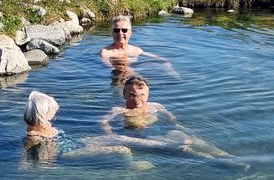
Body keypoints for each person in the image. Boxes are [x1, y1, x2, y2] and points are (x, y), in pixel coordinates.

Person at [98, 75, 235, 160]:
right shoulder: (119, 110)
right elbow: (103, 121)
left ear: (148, 94)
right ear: (124, 94)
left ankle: (227, 156)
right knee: (182, 147)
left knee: (193, 140)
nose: (137, 99)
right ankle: (221, 161)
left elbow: (169, 115)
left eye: (142, 95)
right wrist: (111, 134)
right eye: (132, 95)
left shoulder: (155, 106)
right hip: (138, 137)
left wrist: (178, 124)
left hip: (158, 132)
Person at [101, 15, 179, 78]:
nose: (120, 33)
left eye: (124, 30)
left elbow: (157, 58)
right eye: (116, 30)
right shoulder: (106, 52)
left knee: (165, 63)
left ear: (130, 32)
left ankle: (179, 81)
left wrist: (165, 62)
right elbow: (106, 64)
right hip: (119, 76)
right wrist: (122, 69)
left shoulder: (135, 50)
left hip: (134, 72)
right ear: (112, 33)